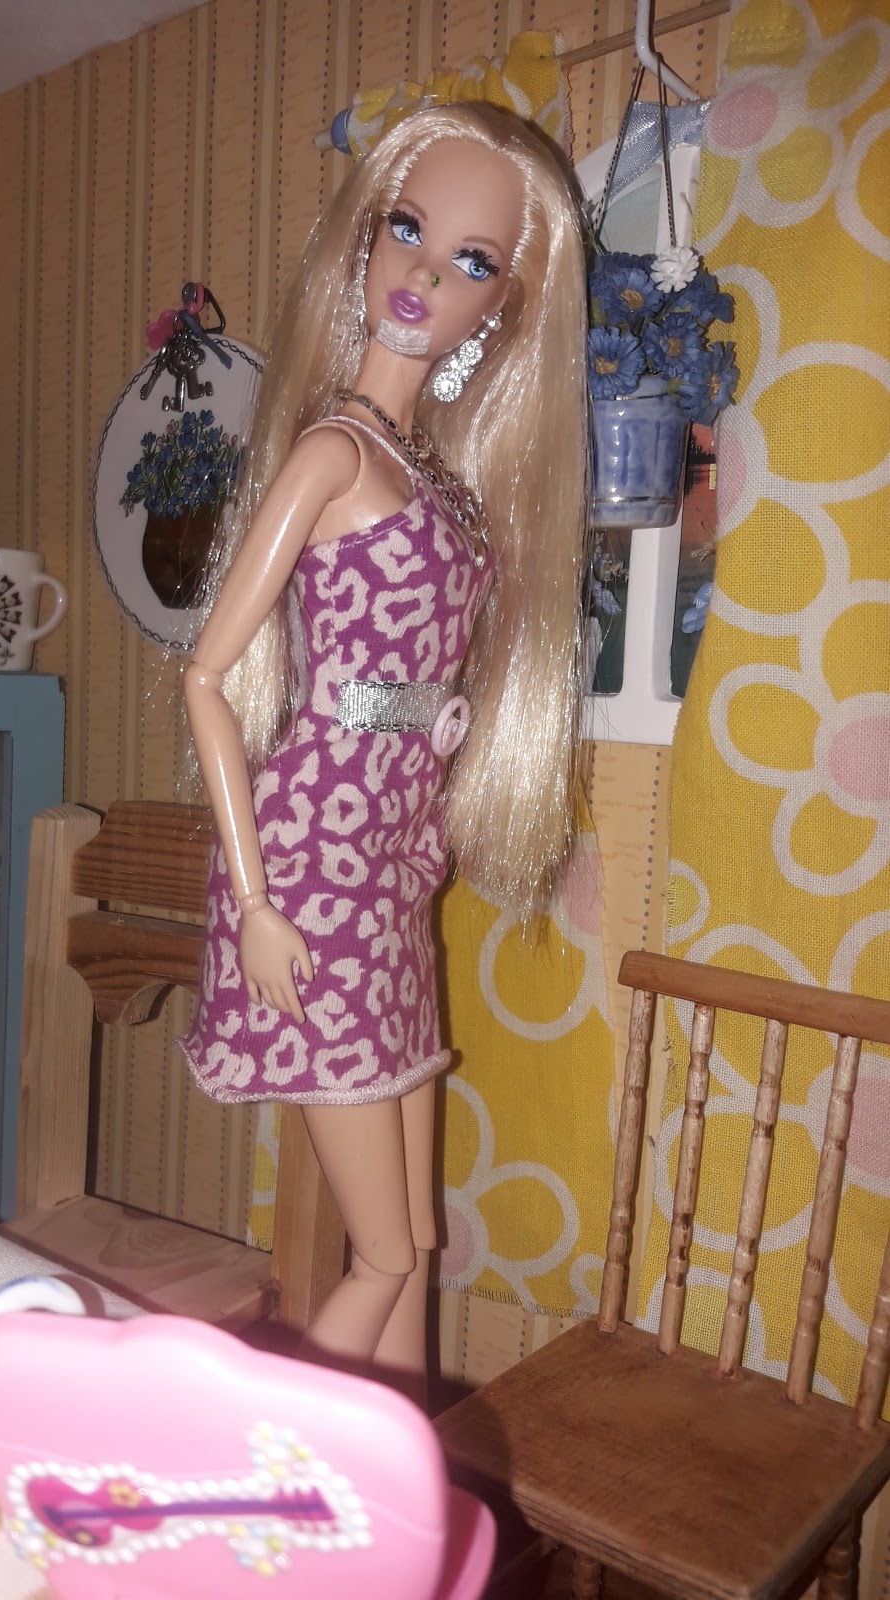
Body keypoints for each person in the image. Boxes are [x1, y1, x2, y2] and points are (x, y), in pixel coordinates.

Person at [179, 102, 588, 1395]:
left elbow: (426, 692)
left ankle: (401, 1480)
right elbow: (204, 675)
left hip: (387, 876)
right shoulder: (332, 453)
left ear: (503, 310)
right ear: (362, 241)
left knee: (413, 1238)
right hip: (308, 870)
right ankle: (254, 1468)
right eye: (407, 230)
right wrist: (253, 905)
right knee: (379, 1253)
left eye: (472, 260)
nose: (423, 274)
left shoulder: (442, 483)